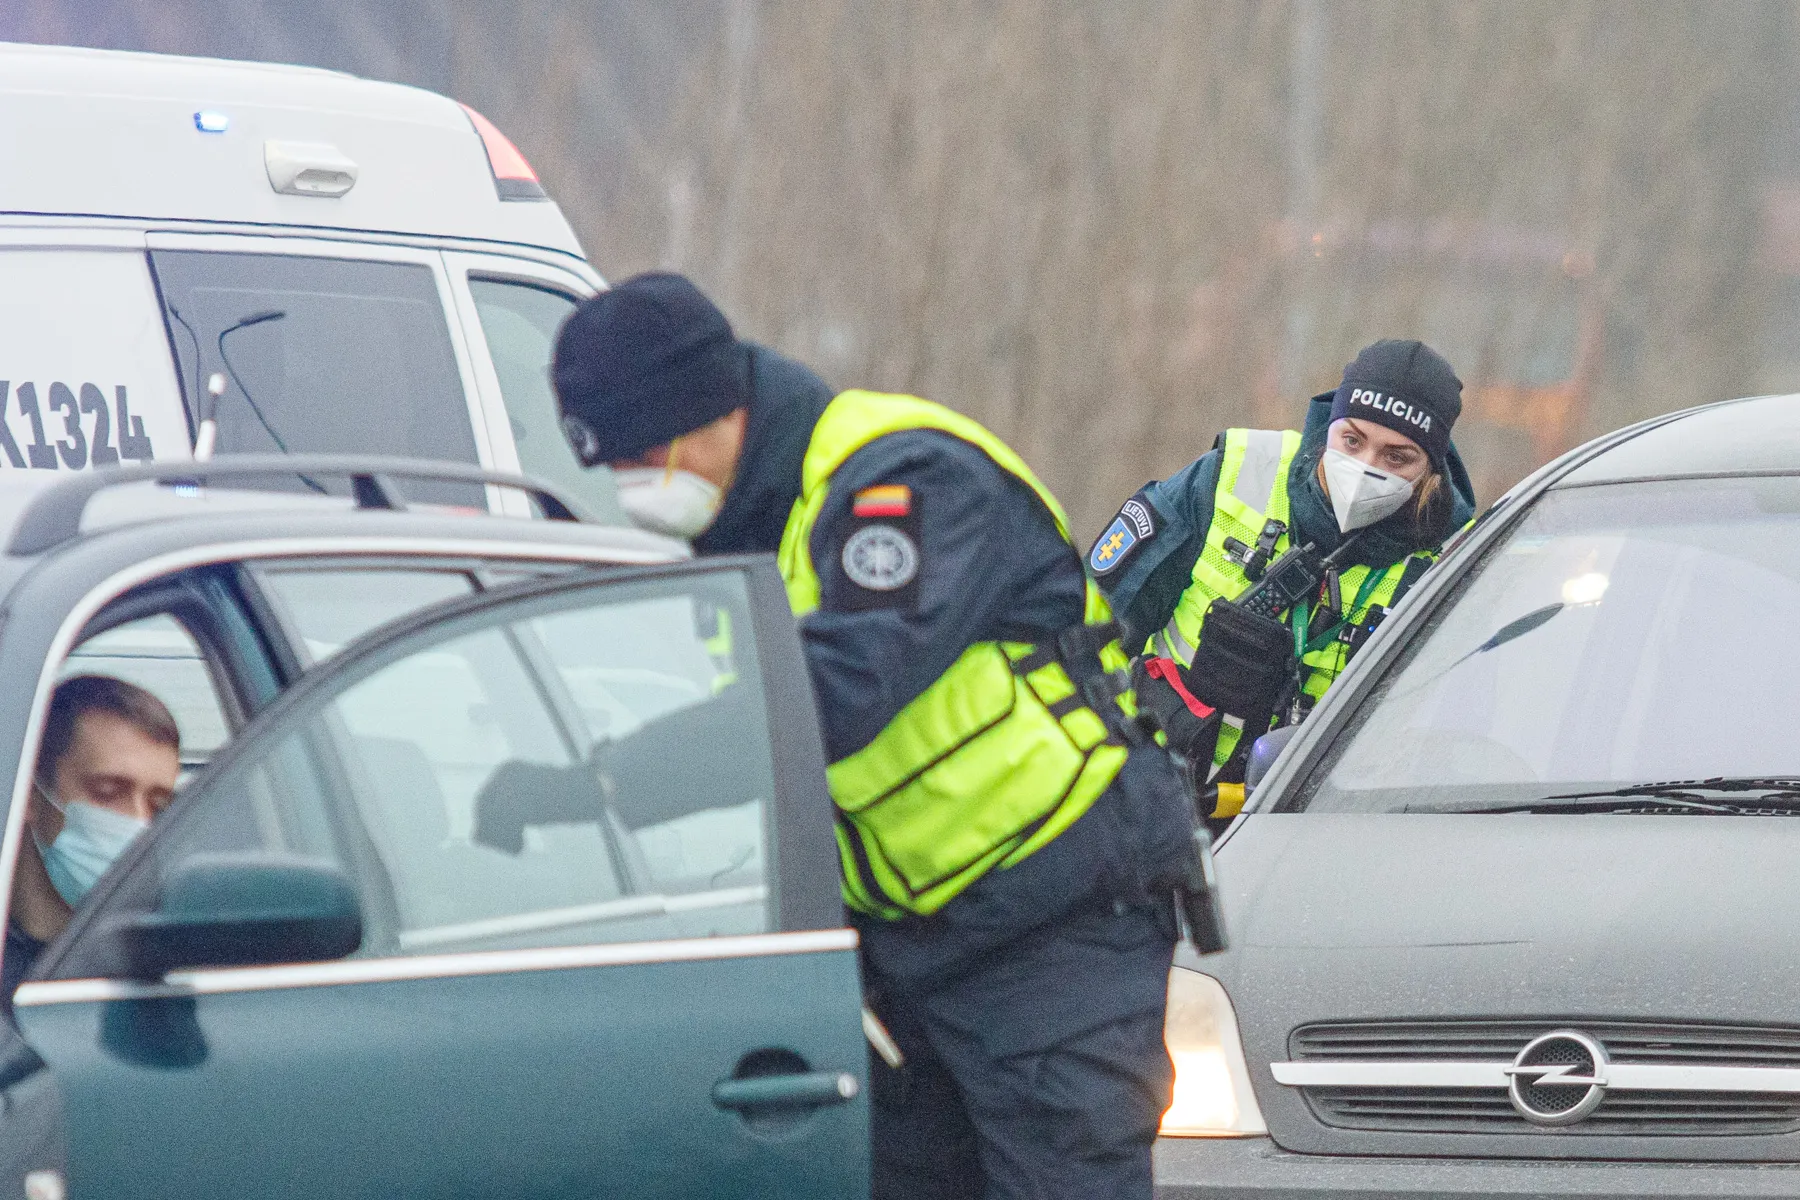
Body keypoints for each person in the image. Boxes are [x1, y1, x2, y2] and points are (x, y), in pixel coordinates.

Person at [553, 273, 1200, 1200]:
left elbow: (834, 691)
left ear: (718, 408)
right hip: (912, 951)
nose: (636, 486)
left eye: (646, 454)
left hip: (1056, 926)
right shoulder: (748, 529)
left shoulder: (902, 479)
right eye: (615, 468)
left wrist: (610, 783)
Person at [1091, 339, 1478, 817]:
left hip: (1318, 831)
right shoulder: (1231, 474)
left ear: (1432, 471)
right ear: (1330, 426)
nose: (1365, 468)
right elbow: (1089, 626)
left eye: (1396, 458)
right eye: (1352, 441)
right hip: (1154, 803)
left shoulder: (1454, 560)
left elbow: (1451, 742)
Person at [3, 675, 181, 1011]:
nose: (138, 826)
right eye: (107, 794)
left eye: (158, 808)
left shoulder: (160, 967)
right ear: (29, 795)